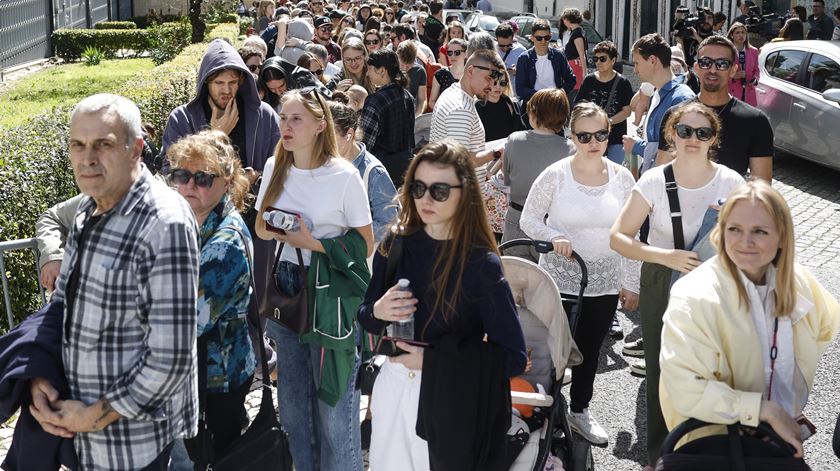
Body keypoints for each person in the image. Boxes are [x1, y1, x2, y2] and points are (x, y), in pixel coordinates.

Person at [28, 94, 200, 470]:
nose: (87, 158)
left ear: (135, 149)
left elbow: (170, 359)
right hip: (82, 437)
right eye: (77, 145)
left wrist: (93, 416)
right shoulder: (89, 206)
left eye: (103, 144)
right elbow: (63, 303)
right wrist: (41, 374)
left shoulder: (164, 223)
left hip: (131, 446)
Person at [358, 140, 527, 470]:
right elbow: (366, 316)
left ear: (464, 193)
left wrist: (434, 362)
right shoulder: (396, 242)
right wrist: (378, 310)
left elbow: (513, 357)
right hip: (393, 390)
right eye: (418, 187)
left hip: (450, 402)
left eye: (439, 191)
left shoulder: (481, 265)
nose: (425, 199)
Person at [660, 180, 840, 458]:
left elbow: (826, 325)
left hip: (778, 442)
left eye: (760, 231)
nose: (745, 242)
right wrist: (763, 410)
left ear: (782, 236)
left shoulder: (799, 282)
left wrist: (789, 396)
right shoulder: (694, 295)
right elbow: (687, 390)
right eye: (734, 229)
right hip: (715, 447)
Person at [610, 101, 745, 470]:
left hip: (716, 284)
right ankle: (662, 456)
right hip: (661, 278)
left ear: (714, 138)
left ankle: (707, 454)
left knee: (713, 369)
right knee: (662, 369)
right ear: (671, 133)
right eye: (685, 130)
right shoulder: (654, 180)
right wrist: (664, 256)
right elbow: (618, 237)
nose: (693, 138)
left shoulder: (732, 182)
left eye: (703, 132)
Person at [254, 89, 374, 471]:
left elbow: (365, 243)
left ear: (320, 126)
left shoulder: (344, 175)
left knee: (333, 412)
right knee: (293, 409)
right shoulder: (275, 166)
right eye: (283, 118)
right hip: (286, 285)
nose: (285, 126)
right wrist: (285, 228)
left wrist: (312, 242)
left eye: (296, 119)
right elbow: (260, 226)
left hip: (329, 294)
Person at [521, 102, 639, 447]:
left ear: (608, 134)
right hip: (559, 279)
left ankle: (580, 410)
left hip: (604, 280)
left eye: (600, 134)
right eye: (584, 136)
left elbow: (630, 233)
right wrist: (552, 236)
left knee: (589, 350)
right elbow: (529, 219)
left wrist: (630, 281)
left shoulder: (623, 178)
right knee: (550, 350)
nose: (593, 142)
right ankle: (539, 409)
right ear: (571, 137)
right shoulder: (555, 174)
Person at [167, 130, 257, 460]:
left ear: (227, 180)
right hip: (199, 377)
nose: (190, 185)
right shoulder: (188, 221)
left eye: (203, 178)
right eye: (182, 175)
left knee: (216, 459)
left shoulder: (225, 244)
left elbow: (189, 320)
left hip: (218, 381)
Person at [161, 39, 280, 183]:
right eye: (219, 83)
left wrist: (258, 178)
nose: (227, 90)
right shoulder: (181, 118)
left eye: (232, 82)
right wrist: (215, 136)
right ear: (206, 81)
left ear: (241, 81)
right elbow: (171, 175)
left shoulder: (264, 115)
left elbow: (284, 165)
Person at [659, 36, 773, 181]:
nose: (713, 70)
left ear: (733, 70)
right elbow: (662, 175)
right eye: (705, 63)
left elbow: (761, 184)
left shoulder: (756, 121)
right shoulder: (674, 115)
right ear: (696, 68)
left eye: (722, 64)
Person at [501, 88, 573, 262]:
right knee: (547, 277)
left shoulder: (514, 140)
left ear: (533, 113)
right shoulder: (571, 149)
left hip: (517, 216)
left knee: (516, 274)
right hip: (551, 225)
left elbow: (507, 180)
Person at [622, 33, 695, 175]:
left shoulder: (682, 98)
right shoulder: (656, 92)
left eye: (637, 63)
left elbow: (682, 150)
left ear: (652, 60)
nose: (635, 70)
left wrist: (637, 146)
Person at [430, 49, 505, 181]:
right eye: (488, 78)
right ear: (470, 71)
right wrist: (496, 153)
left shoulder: (453, 92)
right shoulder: (460, 108)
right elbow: (459, 162)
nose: (491, 86)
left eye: (494, 80)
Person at [329, 99, 398, 241]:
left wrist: (344, 232)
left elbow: (388, 224)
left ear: (349, 134)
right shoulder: (323, 163)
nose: (323, 144)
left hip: (357, 253)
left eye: (329, 137)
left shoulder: (374, 173)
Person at [360, 48, 416, 186]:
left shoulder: (375, 102)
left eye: (370, 69)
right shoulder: (407, 96)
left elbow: (365, 145)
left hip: (379, 175)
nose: (367, 73)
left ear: (382, 70)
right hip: (405, 172)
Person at [575, 40, 633, 165]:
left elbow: (627, 111)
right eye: (595, 59)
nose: (598, 62)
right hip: (591, 137)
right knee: (591, 170)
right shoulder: (589, 80)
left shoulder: (623, 83)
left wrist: (608, 122)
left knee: (614, 171)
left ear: (613, 60)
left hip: (615, 137)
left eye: (603, 59)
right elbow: (579, 106)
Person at [515, 18, 576, 102]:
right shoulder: (524, 58)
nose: (543, 41)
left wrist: (560, 93)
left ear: (550, 36)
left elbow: (571, 79)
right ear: (532, 38)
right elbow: (520, 89)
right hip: (533, 103)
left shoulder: (558, 56)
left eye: (547, 37)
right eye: (539, 38)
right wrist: (542, 96)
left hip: (555, 102)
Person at [475, 68, 524, 141]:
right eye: (494, 82)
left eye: (502, 83)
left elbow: (521, 132)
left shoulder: (512, 104)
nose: (498, 87)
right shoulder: (477, 106)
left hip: (509, 147)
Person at [428, 38, 467, 110]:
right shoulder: (440, 74)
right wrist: (443, 112)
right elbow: (432, 102)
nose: (452, 56)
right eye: (449, 53)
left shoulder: (471, 74)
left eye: (457, 52)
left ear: (465, 54)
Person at [726, 22, 759, 107]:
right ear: (732, 35)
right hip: (731, 92)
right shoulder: (726, 51)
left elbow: (756, 70)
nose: (741, 35)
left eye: (743, 32)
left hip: (749, 93)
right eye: (737, 33)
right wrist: (732, 76)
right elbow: (721, 71)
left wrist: (754, 80)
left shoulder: (754, 51)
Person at [561, 8, 588, 102]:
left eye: (564, 19)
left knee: (573, 96)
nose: (563, 22)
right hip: (574, 67)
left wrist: (584, 73)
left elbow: (582, 53)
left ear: (568, 19)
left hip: (576, 68)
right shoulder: (577, 32)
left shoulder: (577, 33)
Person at [397, 40, 428, 116]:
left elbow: (422, 100)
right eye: (402, 65)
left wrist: (418, 114)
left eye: (408, 66)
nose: (405, 68)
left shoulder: (419, 71)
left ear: (415, 60)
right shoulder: (390, 69)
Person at [495, 22, 526, 94]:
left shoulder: (521, 51)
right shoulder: (492, 49)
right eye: (501, 46)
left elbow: (527, 74)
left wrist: (518, 71)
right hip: (495, 92)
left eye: (509, 45)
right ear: (496, 39)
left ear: (512, 39)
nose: (505, 48)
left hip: (514, 94)